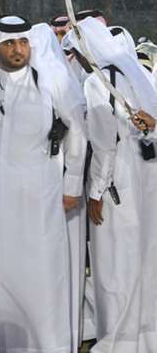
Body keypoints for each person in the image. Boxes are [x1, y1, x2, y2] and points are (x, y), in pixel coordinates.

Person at [0, 16, 88, 352]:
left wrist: (72, 186)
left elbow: (77, 132)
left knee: (38, 274)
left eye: (23, 42)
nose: (18, 50)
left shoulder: (50, 82)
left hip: (38, 196)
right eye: (9, 44)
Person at [68, 18, 157, 352]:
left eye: (77, 53)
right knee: (142, 258)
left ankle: (118, 336)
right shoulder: (136, 72)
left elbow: (105, 145)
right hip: (145, 177)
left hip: (117, 184)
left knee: (113, 262)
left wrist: (95, 192)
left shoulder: (98, 81)